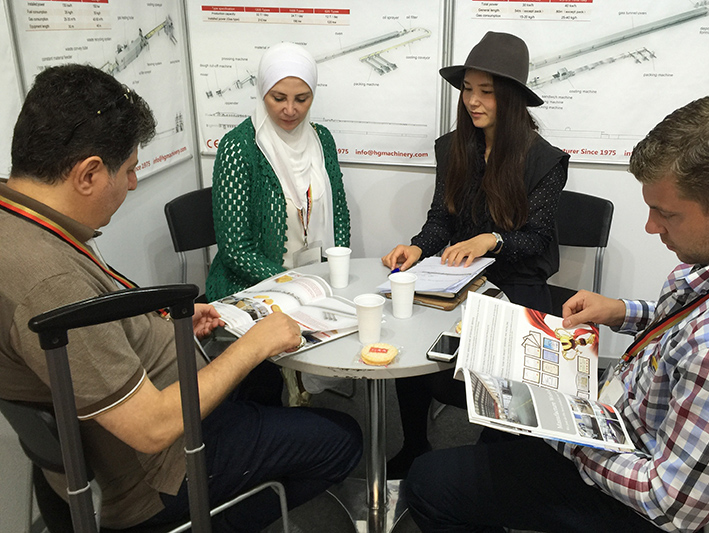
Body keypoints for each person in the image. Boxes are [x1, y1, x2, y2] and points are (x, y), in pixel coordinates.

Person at [403, 94, 709, 533]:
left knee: (430, 483)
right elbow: (695, 322)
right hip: (638, 419)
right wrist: (622, 311)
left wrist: (564, 433)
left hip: (648, 498)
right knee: (498, 438)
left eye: (665, 213)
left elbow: (667, 505)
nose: (651, 226)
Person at [0, 64, 362, 533]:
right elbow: (151, 428)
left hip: (159, 411)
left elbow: (93, 332)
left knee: (269, 406)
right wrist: (256, 344)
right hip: (160, 470)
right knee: (342, 440)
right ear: (88, 174)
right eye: (130, 170)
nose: (133, 183)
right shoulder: (47, 278)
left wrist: (159, 326)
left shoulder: (23, 223)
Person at [381, 31, 569, 477]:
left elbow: (536, 239)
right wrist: (417, 246)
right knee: (408, 343)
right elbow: (440, 220)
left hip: (517, 282)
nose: (472, 101)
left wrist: (493, 240)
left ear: (511, 98)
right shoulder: (453, 148)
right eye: (467, 89)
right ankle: (414, 445)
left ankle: (494, 460)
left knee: (500, 381)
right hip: (459, 277)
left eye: (486, 91)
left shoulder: (544, 160)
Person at [205, 42, 351, 404]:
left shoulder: (322, 139)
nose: (290, 109)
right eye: (278, 98)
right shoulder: (239, 148)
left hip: (311, 278)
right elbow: (235, 250)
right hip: (251, 282)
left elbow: (339, 212)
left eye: (302, 98)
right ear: (262, 92)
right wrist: (294, 284)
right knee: (264, 389)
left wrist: (336, 266)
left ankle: (301, 401)